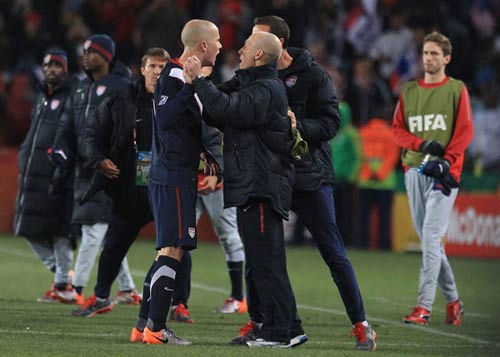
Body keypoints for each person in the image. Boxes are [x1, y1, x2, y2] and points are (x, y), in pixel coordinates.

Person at [251, 15, 377, 351]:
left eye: (257, 38)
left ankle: (362, 325)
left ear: (277, 42)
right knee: (261, 251)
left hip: (309, 176)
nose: (251, 45)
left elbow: (331, 123)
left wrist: (297, 125)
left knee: (333, 251)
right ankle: (260, 321)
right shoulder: (255, 75)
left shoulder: (313, 76)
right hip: (272, 175)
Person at [183, 30, 298, 348]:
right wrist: (203, 87)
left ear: (259, 55)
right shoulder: (257, 85)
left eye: (247, 47)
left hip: (261, 185)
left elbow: (226, 110)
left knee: (265, 261)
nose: (240, 50)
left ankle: (277, 332)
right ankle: (287, 326)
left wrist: (198, 81)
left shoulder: (265, 88)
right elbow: (220, 110)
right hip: (255, 183)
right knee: (266, 259)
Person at [131, 19, 221, 346]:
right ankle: (157, 328)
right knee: (173, 250)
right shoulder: (174, 74)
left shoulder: (179, 75)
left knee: (166, 251)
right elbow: (166, 117)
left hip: (171, 173)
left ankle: (143, 326)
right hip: (173, 176)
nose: (221, 46)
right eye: (217, 40)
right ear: (202, 46)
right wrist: (188, 84)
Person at [70, 48, 170, 317]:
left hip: (166, 187)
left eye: (163, 66)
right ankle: (101, 296)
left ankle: (179, 305)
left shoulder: (177, 98)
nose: (158, 71)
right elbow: (92, 133)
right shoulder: (122, 98)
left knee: (176, 248)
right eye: (153, 66)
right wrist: (99, 160)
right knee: (113, 246)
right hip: (131, 188)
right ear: (142, 69)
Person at [392, 31, 474, 326]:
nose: (429, 58)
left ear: (446, 58)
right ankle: (453, 301)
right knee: (431, 243)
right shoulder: (409, 91)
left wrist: (449, 163)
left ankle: (423, 307)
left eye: (435, 54)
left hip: (444, 175)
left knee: (429, 238)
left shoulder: (456, 89)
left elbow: (464, 132)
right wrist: (421, 144)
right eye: (426, 53)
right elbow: (397, 130)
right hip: (414, 169)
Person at [50, 34, 136, 304]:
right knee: (108, 232)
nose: (85, 56)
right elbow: (66, 124)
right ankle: (127, 289)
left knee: (93, 226)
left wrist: (110, 158)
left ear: (106, 56)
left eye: (91, 51)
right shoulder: (79, 86)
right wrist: (61, 149)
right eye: (83, 51)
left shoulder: (121, 86)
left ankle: (75, 289)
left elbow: (125, 128)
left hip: (108, 169)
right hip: (83, 168)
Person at [13, 49, 76, 303]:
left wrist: (64, 166)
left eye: (57, 66)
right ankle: (63, 274)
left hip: (57, 174)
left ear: (65, 70)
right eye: (48, 65)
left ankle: (63, 284)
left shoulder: (72, 96)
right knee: (26, 228)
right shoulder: (40, 96)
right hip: (32, 173)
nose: (52, 70)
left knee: (59, 229)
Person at [358, 116, 400, 250]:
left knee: (363, 216)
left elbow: (359, 155)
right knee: (385, 217)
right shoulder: (392, 134)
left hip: (365, 181)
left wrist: (369, 172)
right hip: (385, 182)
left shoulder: (362, 133)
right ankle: (385, 245)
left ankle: (363, 243)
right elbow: (393, 156)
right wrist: (380, 173)